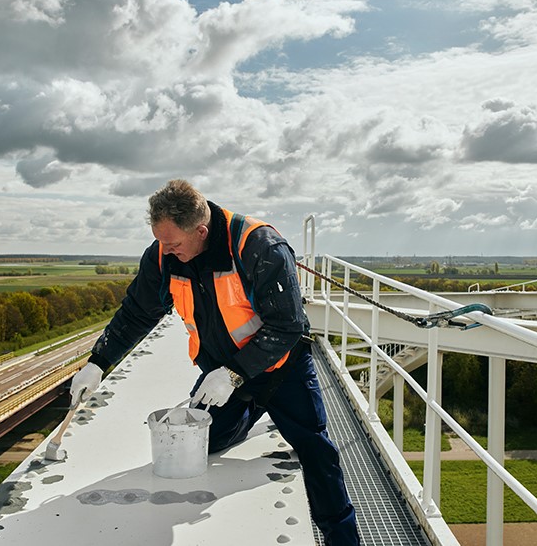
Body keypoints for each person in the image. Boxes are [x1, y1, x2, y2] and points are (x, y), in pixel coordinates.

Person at [70, 179, 361, 545]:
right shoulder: (164, 254)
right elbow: (136, 313)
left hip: (280, 370)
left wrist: (235, 373)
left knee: (316, 453)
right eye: (160, 241)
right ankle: (252, 410)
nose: (165, 250)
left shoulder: (259, 246)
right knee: (201, 442)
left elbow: (288, 325)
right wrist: (99, 361)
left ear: (201, 231)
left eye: (173, 243)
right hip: (220, 374)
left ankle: (343, 538)